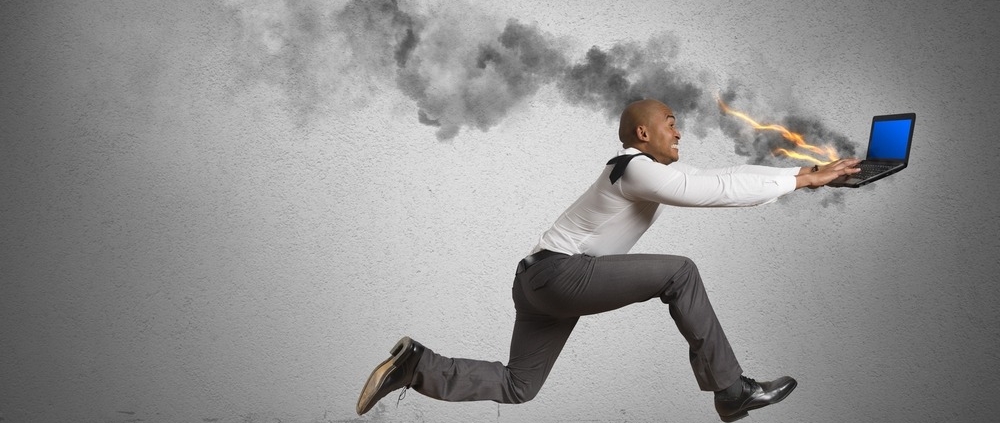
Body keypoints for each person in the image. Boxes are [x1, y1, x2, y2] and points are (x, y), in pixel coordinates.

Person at [356, 99, 861, 422]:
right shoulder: (636, 168)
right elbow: (714, 188)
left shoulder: (639, 171)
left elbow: (721, 176)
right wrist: (804, 179)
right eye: (670, 124)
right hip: (559, 274)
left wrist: (809, 172)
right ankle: (731, 390)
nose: (679, 132)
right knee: (680, 273)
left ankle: (414, 366)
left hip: (537, 281)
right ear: (643, 135)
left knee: (519, 386)